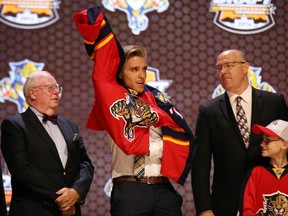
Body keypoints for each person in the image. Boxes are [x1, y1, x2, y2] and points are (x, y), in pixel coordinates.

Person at [73, 6, 194, 216]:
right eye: (134, 69)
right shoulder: (110, 98)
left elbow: (176, 132)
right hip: (130, 189)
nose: (141, 75)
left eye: (144, 69)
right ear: (121, 73)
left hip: (163, 188)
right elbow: (103, 74)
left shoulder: (157, 100)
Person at [191, 49, 288, 216]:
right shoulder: (209, 111)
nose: (223, 71)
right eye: (219, 67)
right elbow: (200, 164)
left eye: (229, 65)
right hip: (226, 201)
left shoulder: (274, 102)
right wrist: (204, 209)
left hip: (269, 196)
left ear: (245, 67)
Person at [0, 71, 94, 216]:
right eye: (50, 88)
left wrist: (76, 192)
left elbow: (85, 164)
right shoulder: (14, 125)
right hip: (34, 209)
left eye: (58, 88)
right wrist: (63, 198)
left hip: (70, 211)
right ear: (33, 94)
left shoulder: (70, 126)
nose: (56, 92)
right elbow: (22, 169)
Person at [239, 119, 288, 215]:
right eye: (263, 140)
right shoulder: (256, 173)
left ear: (285, 144)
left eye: (267, 140)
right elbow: (246, 208)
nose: (262, 144)